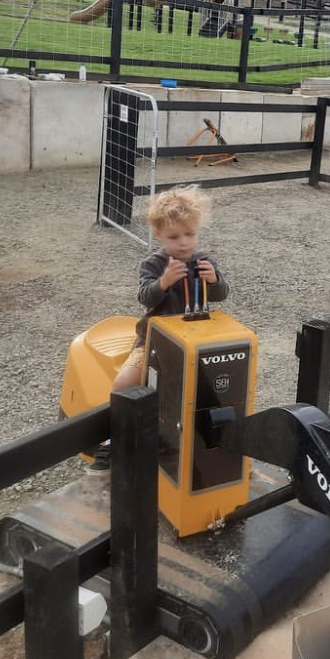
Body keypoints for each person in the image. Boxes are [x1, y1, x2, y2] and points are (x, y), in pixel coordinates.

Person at [89, 185, 229, 472]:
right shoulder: (154, 263)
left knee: (210, 389)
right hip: (154, 339)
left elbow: (221, 295)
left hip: (195, 340)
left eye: (190, 234)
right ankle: (113, 440)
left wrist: (214, 280)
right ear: (159, 236)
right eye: (174, 237)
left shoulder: (204, 261)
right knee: (124, 384)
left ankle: (213, 442)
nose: (184, 243)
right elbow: (145, 297)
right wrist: (163, 282)